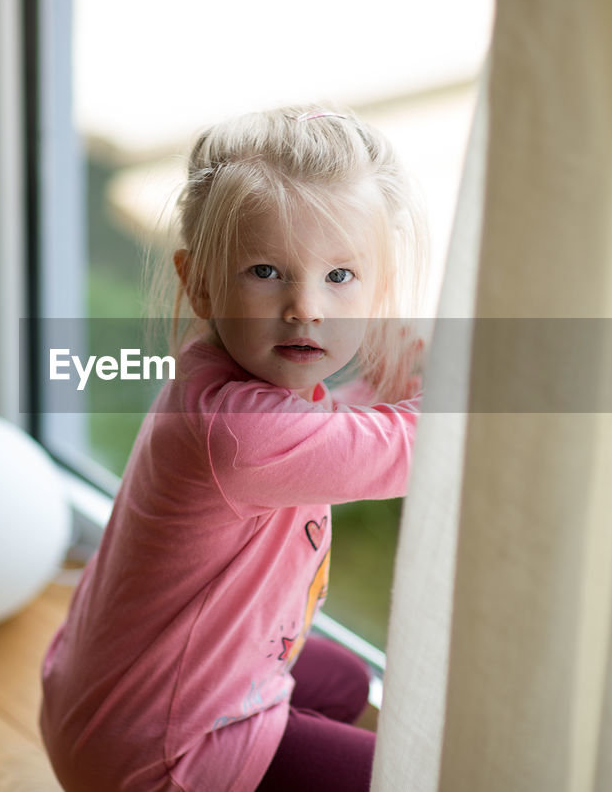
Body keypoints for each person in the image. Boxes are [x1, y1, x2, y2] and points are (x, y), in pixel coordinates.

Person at [40, 104, 428, 792]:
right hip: (160, 754)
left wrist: (386, 377)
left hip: (102, 697)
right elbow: (413, 448)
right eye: (266, 271)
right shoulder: (239, 435)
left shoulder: (221, 367)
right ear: (200, 281)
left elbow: (333, 429)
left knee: (339, 682)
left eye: (340, 277)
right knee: (412, 776)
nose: (305, 306)